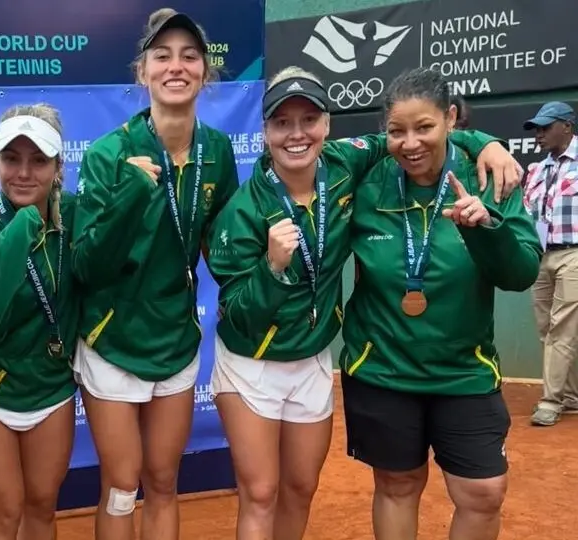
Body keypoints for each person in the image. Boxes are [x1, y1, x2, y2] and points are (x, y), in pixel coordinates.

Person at [206, 66, 519, 540]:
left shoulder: (345, 164)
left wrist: (487, 143)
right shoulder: (243, 210)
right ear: (265, 131)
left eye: (309, 120)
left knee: (300, 488)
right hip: (253, 362)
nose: (297, 134)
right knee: (262, 492)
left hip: (312, 357)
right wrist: (272, 269)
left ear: (327, 125)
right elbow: (239, 316)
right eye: (282, 123)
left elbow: (421, 132)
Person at [340, 67, 541, 540]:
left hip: (463, 372)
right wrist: (483, 138)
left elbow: (520, 275)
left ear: (450, 118)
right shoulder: (369, 179)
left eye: (425, 127)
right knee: (397, 485)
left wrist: (486, 229)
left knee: (484, 493)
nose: (410, 143)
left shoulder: (489, 177)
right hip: (383, 370)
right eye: (397, 131)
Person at [70, 8, 239, 540]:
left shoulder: (217, 150)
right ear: (143, 71)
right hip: (112, 338)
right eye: (162, 56)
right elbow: (87, 266)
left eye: (189, 56)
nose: (176, 67)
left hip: (175, 338)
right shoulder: (109, 154)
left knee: (164, 482)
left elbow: (224, 246)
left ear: (205, 72)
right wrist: (129, 196)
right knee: (122, 486)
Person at [0, 103, 79, 540]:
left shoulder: (74, 217)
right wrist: (23, 225)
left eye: (38, 160)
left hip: (51, 390)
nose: (24, 173)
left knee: (42, 507)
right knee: (5, 512)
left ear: (58, 166)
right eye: (11, 159)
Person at [521, 101, 578, 427]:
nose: (538, 135)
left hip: (574, 253)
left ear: (567, 126)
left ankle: (550, 401)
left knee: (561, 329)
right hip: (542, 254)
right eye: (536, 129)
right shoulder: (536, 170)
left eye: (545, 128)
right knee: (547, 330)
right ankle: (571, 396)